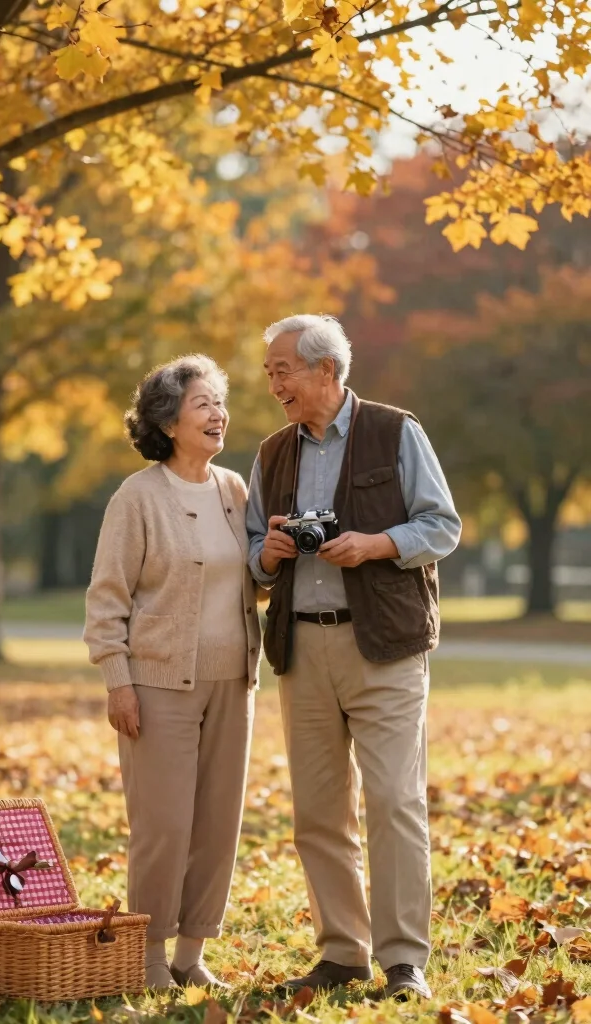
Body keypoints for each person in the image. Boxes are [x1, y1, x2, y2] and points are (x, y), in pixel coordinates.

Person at [247, 314, 461, 1000]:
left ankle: (405, 962)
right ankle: (343, 953)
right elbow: (251, 550)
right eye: (269, 370)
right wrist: (266, 554)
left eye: (284, 368)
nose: (273, 381)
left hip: (385, 648)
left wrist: (377, 544)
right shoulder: (272, 452)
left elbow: (442, 525)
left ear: (326, 373)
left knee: (394, 800)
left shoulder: (398, 431)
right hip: (302, 646)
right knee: (317, 810)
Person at [84, 355, 261, 992]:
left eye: (220, 401)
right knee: (163, 826)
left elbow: (249, 581)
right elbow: (107, 598)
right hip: (157, 686)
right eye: (203, 403)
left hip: (233, 682)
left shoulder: (235, 490)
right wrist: (117, 680)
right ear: (168, 420)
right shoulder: (138, 497)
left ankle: (190, 953)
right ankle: (149, 955)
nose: (219, 414)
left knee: (217, 823)